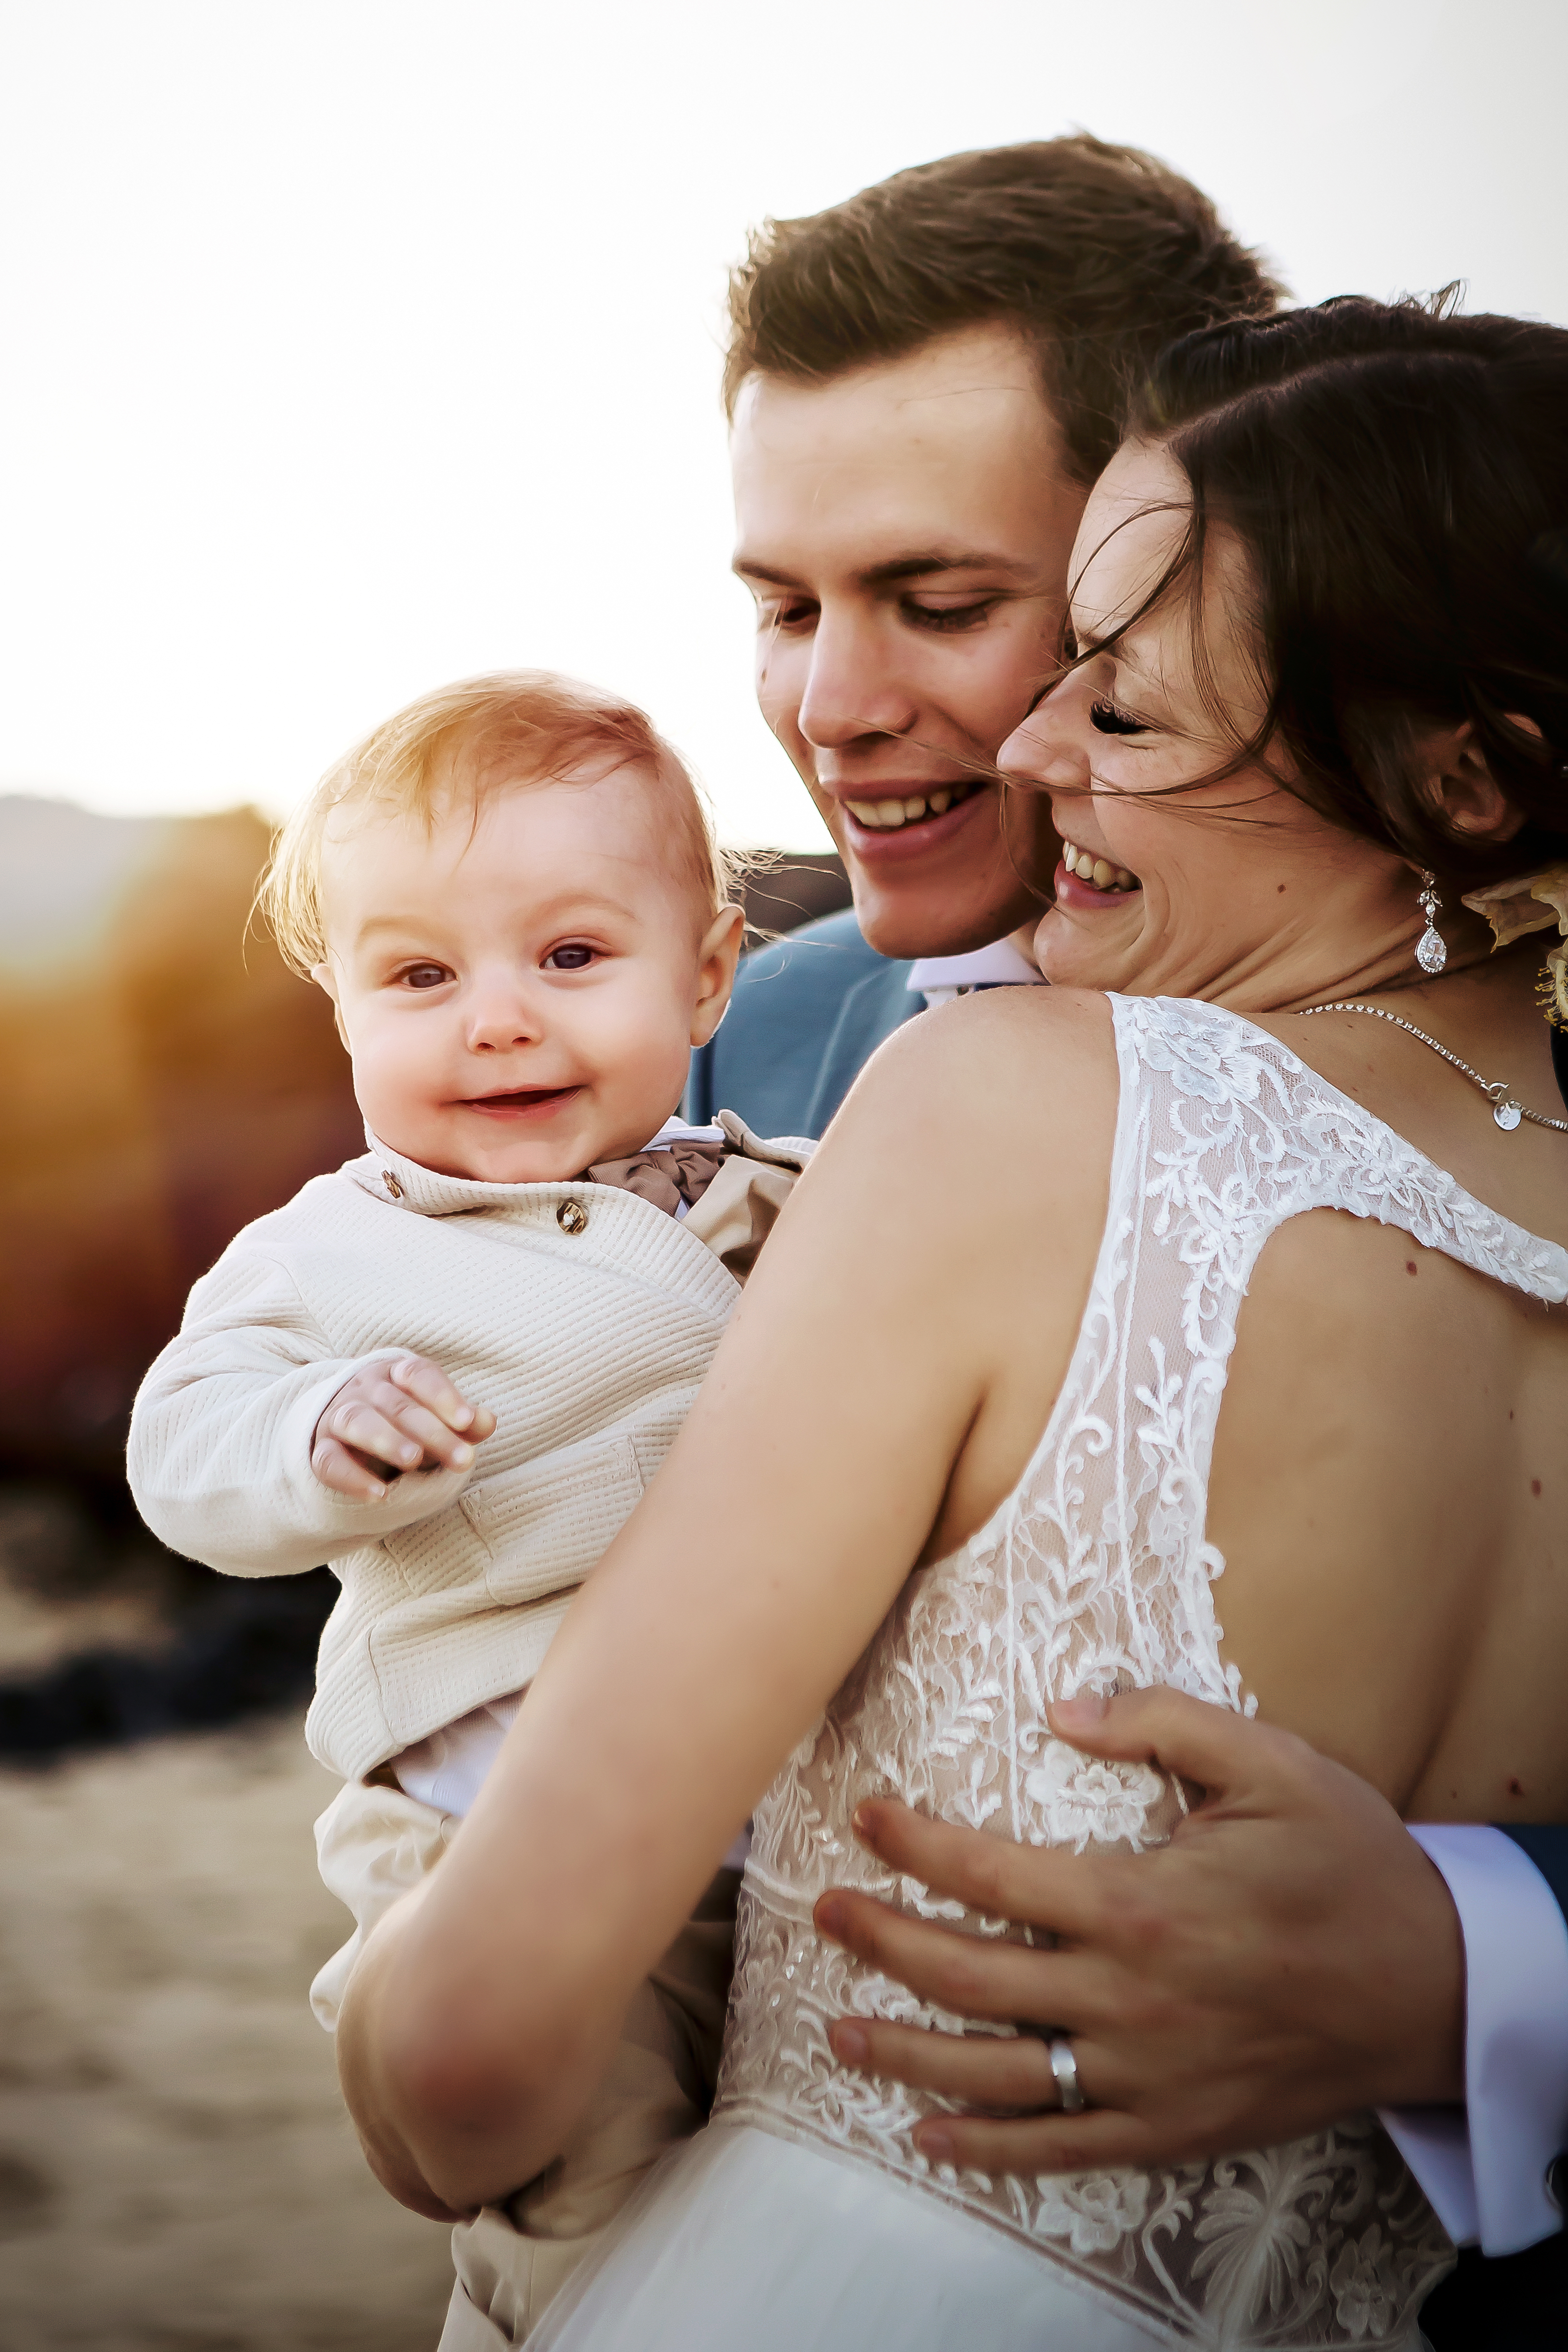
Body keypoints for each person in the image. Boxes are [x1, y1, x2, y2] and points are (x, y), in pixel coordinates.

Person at [335, 296, 1568, 2347]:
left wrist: (388, 1933)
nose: (1027, 746)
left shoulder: (1020, 1103)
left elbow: (472, 2073)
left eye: (1136, 711)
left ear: (1465, 782)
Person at [688, 141, 1568, 2302]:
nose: (826, 706)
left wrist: (1491, 1963)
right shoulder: (760, 1030)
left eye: (944, 603)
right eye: (781, 608)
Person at [126, 671, 812, 2335]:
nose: (495, 1016)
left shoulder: (796, 1198)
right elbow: (180, 1441)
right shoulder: (334, 1248)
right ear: (342, 1011)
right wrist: (314, 1430)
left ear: (708, 970)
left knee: (805, 2191)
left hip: (776, 1830)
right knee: (600, 2219)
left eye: (571, 958)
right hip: (484, 1827)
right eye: (421, 974)